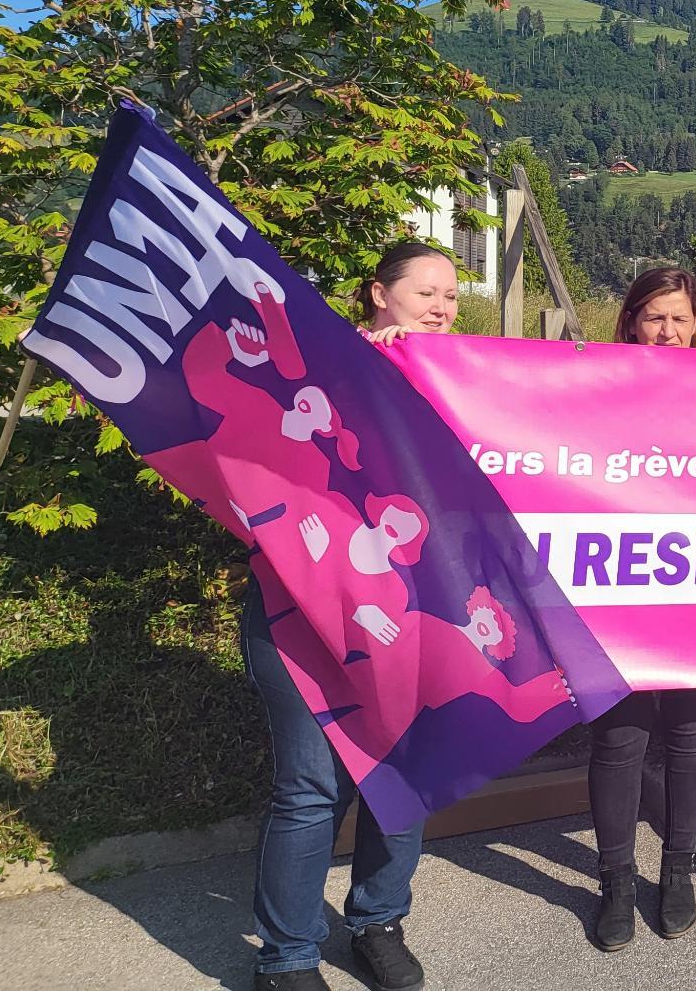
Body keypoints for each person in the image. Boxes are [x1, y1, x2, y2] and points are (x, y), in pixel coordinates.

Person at [242, 239, 455, 991]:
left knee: (403, 777)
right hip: (305, 613)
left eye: (451, 296)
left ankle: (377, 922)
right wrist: (362, 364)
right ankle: (287, 957)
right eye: (426, 292)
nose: (442, 308)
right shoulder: (322, 367)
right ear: (378, 292)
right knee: (311, 788)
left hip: (410, 616)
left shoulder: (457, 381)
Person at [586, 267, 696, 950]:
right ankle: (615, 881)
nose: (667, 330)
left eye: (679, 318)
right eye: (654, 317)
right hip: (618, 586)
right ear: (631, 323)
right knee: (620, 738)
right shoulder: (590, 384)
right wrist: (403, 347)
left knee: (691, 732)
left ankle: (678, 871)